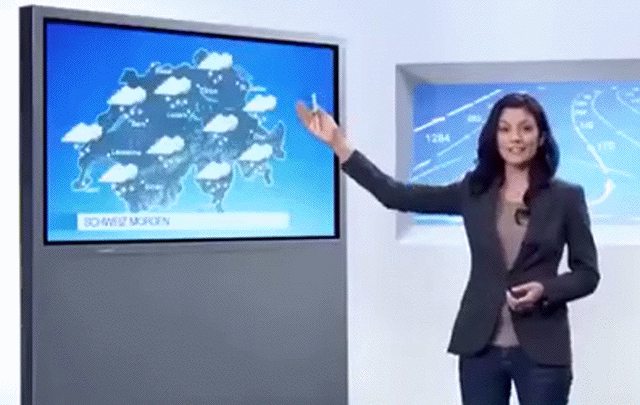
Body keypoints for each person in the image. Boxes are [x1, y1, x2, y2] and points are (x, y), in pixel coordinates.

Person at [295, 93, 599, 405]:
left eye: (526, 128)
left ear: (542, 136)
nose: (515, 138)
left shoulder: (566, 198)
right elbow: (396, 195)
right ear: (494, 137)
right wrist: (339, 145)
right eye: (505, 129)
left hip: (542, 353)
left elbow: (588, 273)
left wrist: (545, 290)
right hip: (480, 349)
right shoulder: (475, 192)